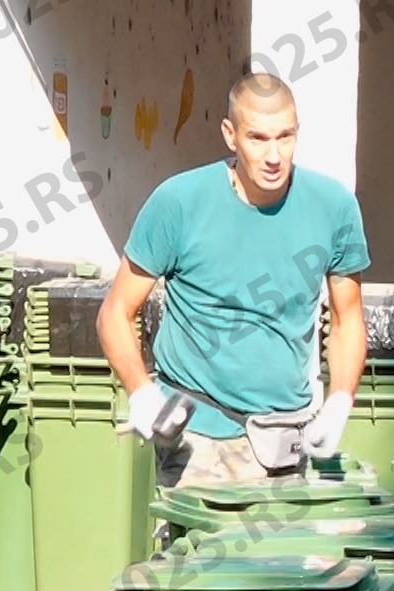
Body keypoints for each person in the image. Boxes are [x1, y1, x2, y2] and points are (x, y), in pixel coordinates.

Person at [98, 72, 370, 487]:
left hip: (287, 437)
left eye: (285, 137)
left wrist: (339, 402)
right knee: (197, 553)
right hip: (197, 440)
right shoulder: (179, 203)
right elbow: (116, 312)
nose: (274, 155)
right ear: (230, 134)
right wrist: (141, 393)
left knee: (283, 553)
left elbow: (348, 316)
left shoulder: (334, 208)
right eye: (258, 138)